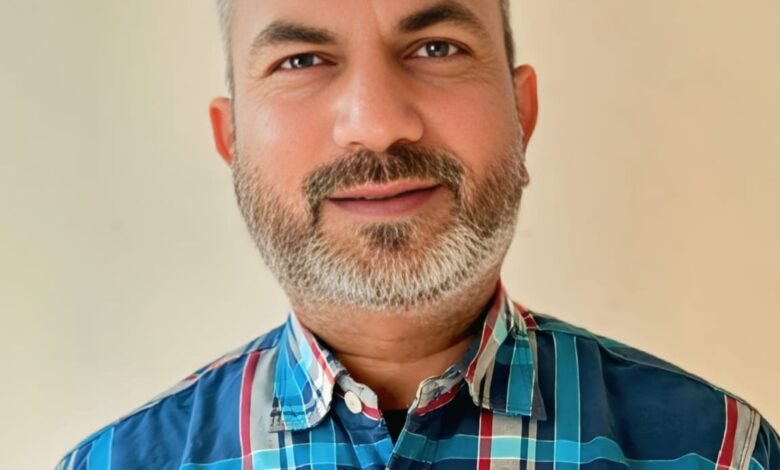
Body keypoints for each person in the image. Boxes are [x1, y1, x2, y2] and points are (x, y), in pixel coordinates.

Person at [58, 0, 779, 468]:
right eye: (301, 61)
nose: (377, 124)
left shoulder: (721, 450)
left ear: (522, 112)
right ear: (232, 140)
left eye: (436, 47)